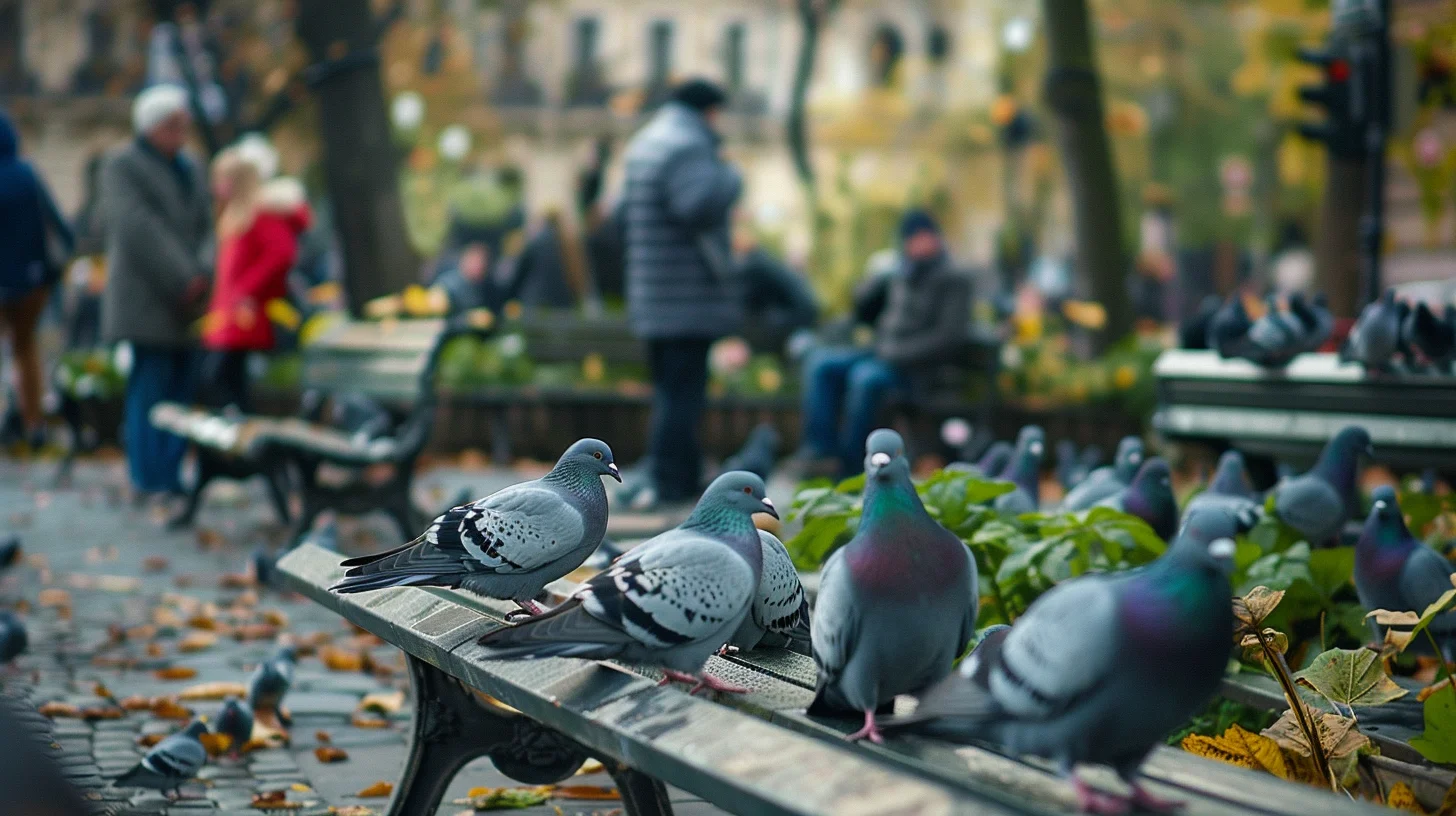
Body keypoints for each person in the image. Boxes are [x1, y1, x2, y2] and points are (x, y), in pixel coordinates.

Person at [623, 78, 743, 508]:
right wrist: (730, 174)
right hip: (685, 297)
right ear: (707, 111)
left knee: (672, 390)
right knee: (683, 394)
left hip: (657, 294)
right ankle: (671, 482)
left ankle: (683, 476)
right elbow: (696, 205)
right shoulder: (687, 146)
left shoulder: (647, 142)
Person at [797, 210, 971, 476]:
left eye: (924, 236)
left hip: (918, 368)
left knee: (864, 378)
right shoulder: (899, 273)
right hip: (881, 354)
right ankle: (821, 451)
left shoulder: (953, 279)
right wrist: (873, 281)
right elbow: (863, 312)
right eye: (912, 237)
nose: (918, 243)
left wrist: (898, 353)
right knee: (822, 364)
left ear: (936, 238)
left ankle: (851, 464)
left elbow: (949, 337)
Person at [102, 84, 212, 500]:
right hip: (146, 297)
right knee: (150, 386)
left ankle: (170, 473)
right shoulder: (121, 166)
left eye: (183, 125)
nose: (180, 133)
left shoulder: (193, 166)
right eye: (172, 125)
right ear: (150, 127)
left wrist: (203, 271)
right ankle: (148, 477)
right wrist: (185, 275)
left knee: (181, 390)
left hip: (191, 300)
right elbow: (136, 226)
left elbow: (206, 224)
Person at [200, 147, 311, 412]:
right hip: (228, 315)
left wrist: (247, 291)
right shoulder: (235, 214)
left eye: (223, 179)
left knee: (219, 380)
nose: (217, 186)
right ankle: (230, 444)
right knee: (226, 382)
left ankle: (240, 442)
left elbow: (282, 253)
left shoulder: (260, 213)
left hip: (242, 316)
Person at [0, 107, 74, 451]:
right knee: (25, 348)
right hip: (31, 282)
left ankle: (10, 420)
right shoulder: (27, 175)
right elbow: (59, 226)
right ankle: (34, 423)